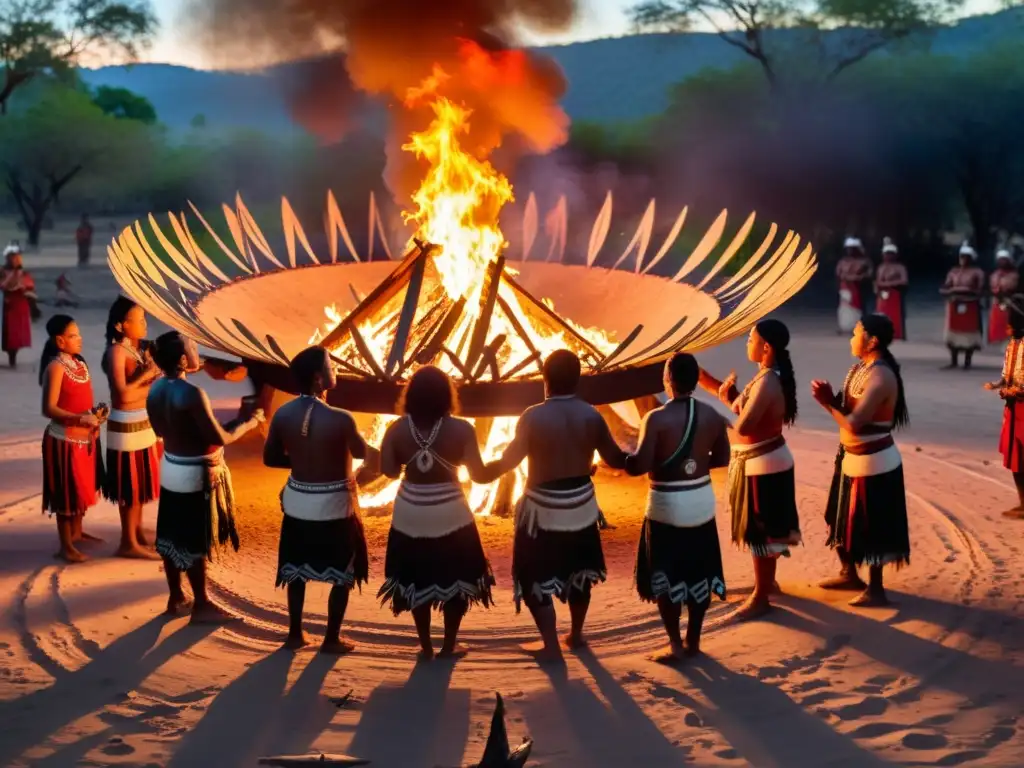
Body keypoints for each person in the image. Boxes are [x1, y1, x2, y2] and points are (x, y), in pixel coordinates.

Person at [491, 350, 628, 663]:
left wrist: (477, 470)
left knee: (532, 576)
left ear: (545, 380)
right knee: (580, 573)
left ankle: (551, 645)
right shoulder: (592, 415)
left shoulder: (532, 416)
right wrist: (648, 459)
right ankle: (576, 635)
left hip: (542, 509)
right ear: (577, 380)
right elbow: (616, 459)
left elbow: (509, 461)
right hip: (581, 505)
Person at [377, 366, 502, 660]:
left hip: (410, 513)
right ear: (447, 396)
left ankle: (426, 646)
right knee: (456, 576)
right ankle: (448, 646)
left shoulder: (396, 429)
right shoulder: (462, 429)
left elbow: (389, 471)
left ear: (411, 395)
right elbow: (481, 475)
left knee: (416, 576)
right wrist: (507, 462)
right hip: (451, 514)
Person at [147, 331, 264, 622]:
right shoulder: (191, 393)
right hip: (194, 472)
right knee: (195, 537)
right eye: (193, 348)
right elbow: (219, 436)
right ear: (184, 360)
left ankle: (176, 596)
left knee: (171, 533)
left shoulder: (155, 389)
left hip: (171, 465)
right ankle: (201, 604)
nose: (198, 351)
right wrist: (250, 421)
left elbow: (160, 431)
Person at [263, 346, 374, 654]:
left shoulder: (283, 414)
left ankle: (295, 634)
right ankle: (331, 639)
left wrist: (302, 461)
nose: (336, 370)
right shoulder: (341, 418)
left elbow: (270, 458)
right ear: (317, 378)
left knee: (296, 569)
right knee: (343, 573)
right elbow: (367, 455)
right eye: (331, 366)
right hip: (335, 508)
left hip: (298, 503)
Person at [629, 352, 730, 662]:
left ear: (667, 379)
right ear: (696, 380)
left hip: (666, 504)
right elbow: (723, 459)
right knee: (699, 571)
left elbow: (640, 465)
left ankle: (674, 644)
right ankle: (694, 642)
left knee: (666, 573)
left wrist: (622, 460)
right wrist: (694, 467)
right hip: (700, 501)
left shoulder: (656, 418)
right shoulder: (712, 415)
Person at [698, 319, 801, 620]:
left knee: (761, 530)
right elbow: (741, 407)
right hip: (761, 461)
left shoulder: (768, 381)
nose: (747, 342)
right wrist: (709, 382)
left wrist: (708, 422)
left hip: (764, 463)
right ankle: (767, 584)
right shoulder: (765, 377)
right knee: (761, 528)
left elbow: (744, 423)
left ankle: (761, 596)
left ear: (766, 347)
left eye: (750, 338)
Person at [813, 313, 910, 607]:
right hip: (850, 458)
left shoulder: (881, 376)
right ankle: (849, 573)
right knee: (838, 516)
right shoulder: (859, 369)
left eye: (857, 333)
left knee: (872, 524)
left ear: (873, 340)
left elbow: (854, 423)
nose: (852, 338)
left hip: (875, 461)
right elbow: (847, 411)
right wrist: (833, 401)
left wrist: (828, 403)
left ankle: (876, 588)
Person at [39, 315, 108, 562]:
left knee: (81, 488)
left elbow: (83, 401)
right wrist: (80, 419)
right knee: (66, 492)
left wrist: (95, 416)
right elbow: (49, 408)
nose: (79, 339)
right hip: (64, 440)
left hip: (85, 439)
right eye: (73, 335)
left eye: (78, 334)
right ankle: (65, 544)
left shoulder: (80, 364)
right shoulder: (55, 367)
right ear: (60, 340)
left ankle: (77, 533)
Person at [101, 297, 164, 559]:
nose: (144, 324)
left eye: (144, 319)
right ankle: (127, 542)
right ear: (121, 325)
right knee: (129, 483)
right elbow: (122, 396)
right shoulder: (116, 352)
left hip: (142, 423)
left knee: (139, 482)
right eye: (138, 320)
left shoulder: (136, 350)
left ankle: (136, 532)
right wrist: (146, 376)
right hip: (126, 425)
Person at [984, 295, 1024, 519]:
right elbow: (1006, 376)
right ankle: (1022, 502)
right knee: (1015, 456)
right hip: (1012, 408)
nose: (1007, 331)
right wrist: (998, 385)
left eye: (1010, 326)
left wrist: (1012, 391)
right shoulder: (1011, 346)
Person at [940, 242, 986, 369]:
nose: (963, 259)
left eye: (966, 256)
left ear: (971, 258)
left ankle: (967, 361)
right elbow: (945, 287)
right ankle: (953, 361)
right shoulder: (953, 272)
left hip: (970, 305)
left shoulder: (977, 272)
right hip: (954, 304)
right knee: (952, 334)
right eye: (962, 256)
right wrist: (950, 291)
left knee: (968, 334)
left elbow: (980, 290)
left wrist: (965, 291)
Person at [1, 242, 36, 368]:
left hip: (18, 306)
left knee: (14, 337)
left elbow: (29, 288)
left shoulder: (23, 273)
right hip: (5, 306)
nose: (14, 259)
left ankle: (12, 358)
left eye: (16, 256)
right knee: (5, 334)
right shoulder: (2, 271)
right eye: (12, 256)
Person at [836, 237, 873, 334]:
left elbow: (869, 274)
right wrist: (846, 277)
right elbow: (838, 273)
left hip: (858, 288)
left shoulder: (864, 261)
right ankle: (844, 326)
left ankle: (860, 326)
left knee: (859, 307)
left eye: (852, 248)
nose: (850, 251)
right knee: (845, 307)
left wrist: (859, 277)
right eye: (848, 248)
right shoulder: (843, 261)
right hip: (845, 288)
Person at [874, 238, 908, 341]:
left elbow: (904, 281)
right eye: (886, 253)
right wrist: (886, 285)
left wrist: (889, 284)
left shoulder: (900, 267)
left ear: (895, 255)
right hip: (883, 296)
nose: (888, 256)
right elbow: (878, 282)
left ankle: (899, 334)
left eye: (890, 253)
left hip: (896, 295)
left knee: (898, 316)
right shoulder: (881, 267)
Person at [988, 249, 1018, 346]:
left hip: (1009, 302)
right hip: (996, 302)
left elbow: (1013, 287)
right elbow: (992, 287)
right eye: (1000, 260)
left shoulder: (1014, 275)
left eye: (1004, 260)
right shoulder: (994, 275)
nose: (1002, 262)